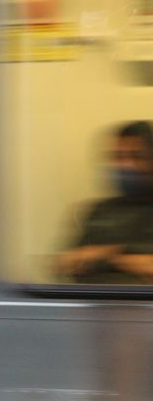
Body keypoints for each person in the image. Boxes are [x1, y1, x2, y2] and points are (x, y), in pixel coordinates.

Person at [57, 121, 153, 284]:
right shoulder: (98, 210)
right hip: (93, 305)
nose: (126, 165)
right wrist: (130, 260)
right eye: (118, 157)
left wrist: (105, 255)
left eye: (136, 156)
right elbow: (65, 263)